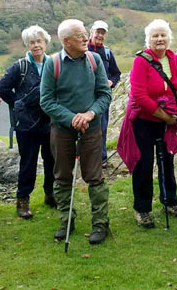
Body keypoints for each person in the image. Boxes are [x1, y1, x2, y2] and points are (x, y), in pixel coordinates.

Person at [40, 19, 112, 244]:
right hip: (62, 131)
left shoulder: (94, 60)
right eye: (80, 36)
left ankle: (100, 223)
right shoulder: (52, 64)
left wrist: (89, 114)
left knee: (95, 176)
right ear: (66, 41)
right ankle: (66, 220)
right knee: (62, 175)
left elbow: (104, 94)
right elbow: (46, 101)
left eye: (84, 35)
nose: (85, 39)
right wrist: (72, 119)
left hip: (91, 129)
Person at [117, 19, 177, 228]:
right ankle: (142, 209)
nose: (159, 39)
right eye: (155, 36)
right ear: (148, 40)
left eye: (163, 35)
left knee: (167, 162)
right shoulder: (141, 61)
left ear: (169, 38)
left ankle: (170, 203)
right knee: (144, 163)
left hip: (166, 121)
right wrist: (167, 118)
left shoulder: (175, 60)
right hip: (143, 121)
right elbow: (139, 95)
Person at [0, 25, 55, 219]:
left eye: (39, 41)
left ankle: (50, 194)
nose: (36, 45)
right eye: (32, 42)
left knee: (52, 161)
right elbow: (2, 88)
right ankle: (22, 200)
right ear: (27, 45)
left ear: (46, 43)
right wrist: (17, 105)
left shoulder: (53, 64)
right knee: (28, 163)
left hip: (50, 122)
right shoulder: (19, 67)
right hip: (27, 125)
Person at [87, 20, 121, 164]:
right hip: (85, 95)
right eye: (98, 32)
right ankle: (85, 157)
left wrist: (111, 82)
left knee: (102, 127)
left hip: (102, 96)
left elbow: (116, 73)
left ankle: (102, 158)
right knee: (85, 126)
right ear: (91, 32)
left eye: (103, 33)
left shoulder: (107, 53)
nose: (100, 35)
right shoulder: (83, 49)